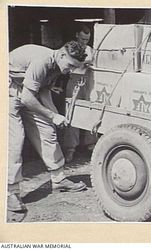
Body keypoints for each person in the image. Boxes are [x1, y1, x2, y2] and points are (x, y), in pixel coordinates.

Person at [8, 41, 88, 221]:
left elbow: (42, 91)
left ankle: (58, 179)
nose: (70, 70)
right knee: (15, 139)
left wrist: (55, 116)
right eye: (70, 65)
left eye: (75, 67)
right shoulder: (43, 61)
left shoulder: (57, 66)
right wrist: (53, 116)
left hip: (26, 90)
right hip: (9, 87)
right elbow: (28, 98)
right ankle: (10, 192)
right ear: (61, 55)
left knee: (47, 130)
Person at [62, 24, 97, 163]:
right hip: (74, 79)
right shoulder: (69, 47)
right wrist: (83, 62)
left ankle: (90, 144)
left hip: (87, 80)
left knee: (90, 111)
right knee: (72, 112)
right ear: (77, 35)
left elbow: (91, 60)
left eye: (87, 40)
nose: (84, 42)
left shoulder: (89, 49)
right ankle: (70, 148)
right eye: (82, 39)